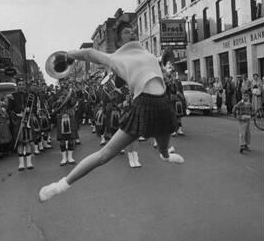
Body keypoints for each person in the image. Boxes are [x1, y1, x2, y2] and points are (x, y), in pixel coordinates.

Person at [39, 23, 184, 202]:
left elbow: (162, 70)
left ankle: (165, 155)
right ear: (118, 39)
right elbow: (90, 54)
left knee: (163, 147)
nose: (132, 33)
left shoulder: (147, 54)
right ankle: (60, 185)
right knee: (104, 155)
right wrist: (69, 55)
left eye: (133, 31)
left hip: (163, 103)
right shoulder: (115, 58)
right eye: (126, 32)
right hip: (143, 103)